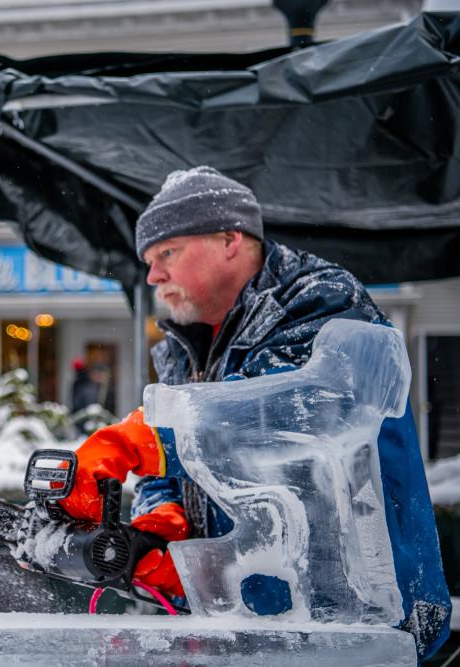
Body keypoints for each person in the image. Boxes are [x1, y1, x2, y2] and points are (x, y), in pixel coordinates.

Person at [36, 167, 450, 659]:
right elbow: (174, 470)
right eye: (149, 260)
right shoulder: (179, 350)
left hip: (363, 618)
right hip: (245, 624)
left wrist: (140, 440)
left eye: (168, 253)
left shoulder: (319, 299)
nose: (153, 276)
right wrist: (162, 517)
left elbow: (290, 415)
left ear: (231, 240)